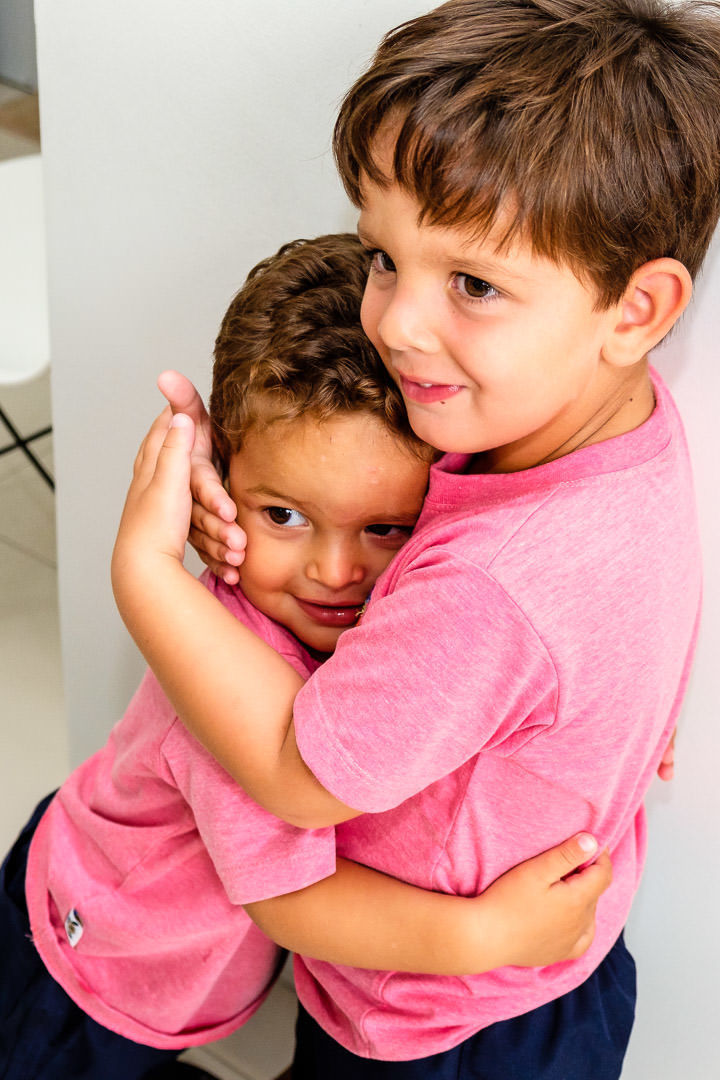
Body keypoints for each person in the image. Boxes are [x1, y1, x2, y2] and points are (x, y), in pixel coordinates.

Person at [111, 0, 719, 1075]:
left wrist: (150, 573)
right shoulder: (614, 423)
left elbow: (296, 772)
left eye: (473, 284)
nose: (393, 322)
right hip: (553, 977)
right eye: (383, 255)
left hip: (435, 1019)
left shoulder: (492, 587)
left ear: (637, 309)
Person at [0, 234, 609, 1080]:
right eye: (284, 516)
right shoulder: (234, 690)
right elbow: (290, 903)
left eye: (385, 528)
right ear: (220, 482)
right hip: (90, 961)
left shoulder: (401, 629)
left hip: (184, 967)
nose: (333, 570)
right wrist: (488, 935)